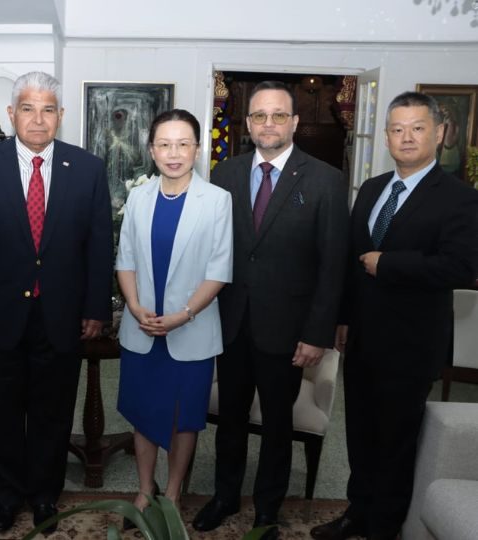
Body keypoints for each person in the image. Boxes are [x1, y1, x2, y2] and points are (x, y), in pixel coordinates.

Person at [0, 71, 113, 534]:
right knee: (0, 413)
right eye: (28, 108)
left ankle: (44, 494)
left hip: (62, 316)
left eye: (47, 110)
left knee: (53, 412)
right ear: (11, 114)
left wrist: (96, 309)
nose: (37, 119)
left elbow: (99, 247)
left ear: (60, 116)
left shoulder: (88, 169)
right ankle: (6, 496)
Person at [310, 92, 478, 540]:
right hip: (362, 337)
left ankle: (386, 527)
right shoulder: (371, 188)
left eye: (418, 128)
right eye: (398, 128)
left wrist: (389, 264)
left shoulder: (460, 198)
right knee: (361, 434)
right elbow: (351, 259)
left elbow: (462, 267)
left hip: (411, 344)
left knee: (396, 442)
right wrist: (343, 318)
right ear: (386, 136)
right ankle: (357, 513)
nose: (407, 137)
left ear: (439, 133)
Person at [193, 81, 349, 539]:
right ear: (248, 123)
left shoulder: (325, 180)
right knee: (229, 421)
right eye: (260, 115)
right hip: (231, 322)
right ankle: (224, 497)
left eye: (278, 115)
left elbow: (332, 265)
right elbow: (211, 250)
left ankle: (267, 508)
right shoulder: (225, 174)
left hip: (289, 331)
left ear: (294, 122)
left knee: (278, 426)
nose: (268, 123)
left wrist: (317, 333)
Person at [115, 109, 232, 518]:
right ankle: (145, 491)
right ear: (151, 150)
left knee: (185, 418)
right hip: (142, 326)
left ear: (197, 149)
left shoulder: (217, 201)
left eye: (183, 144)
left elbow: (219, 270)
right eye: (164, 144)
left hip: (191, 330)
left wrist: (183, 315)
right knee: (145, 413)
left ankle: (174, 490)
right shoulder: (139, 196)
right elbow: (125, 258)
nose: (174, 153)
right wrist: (133, 306)